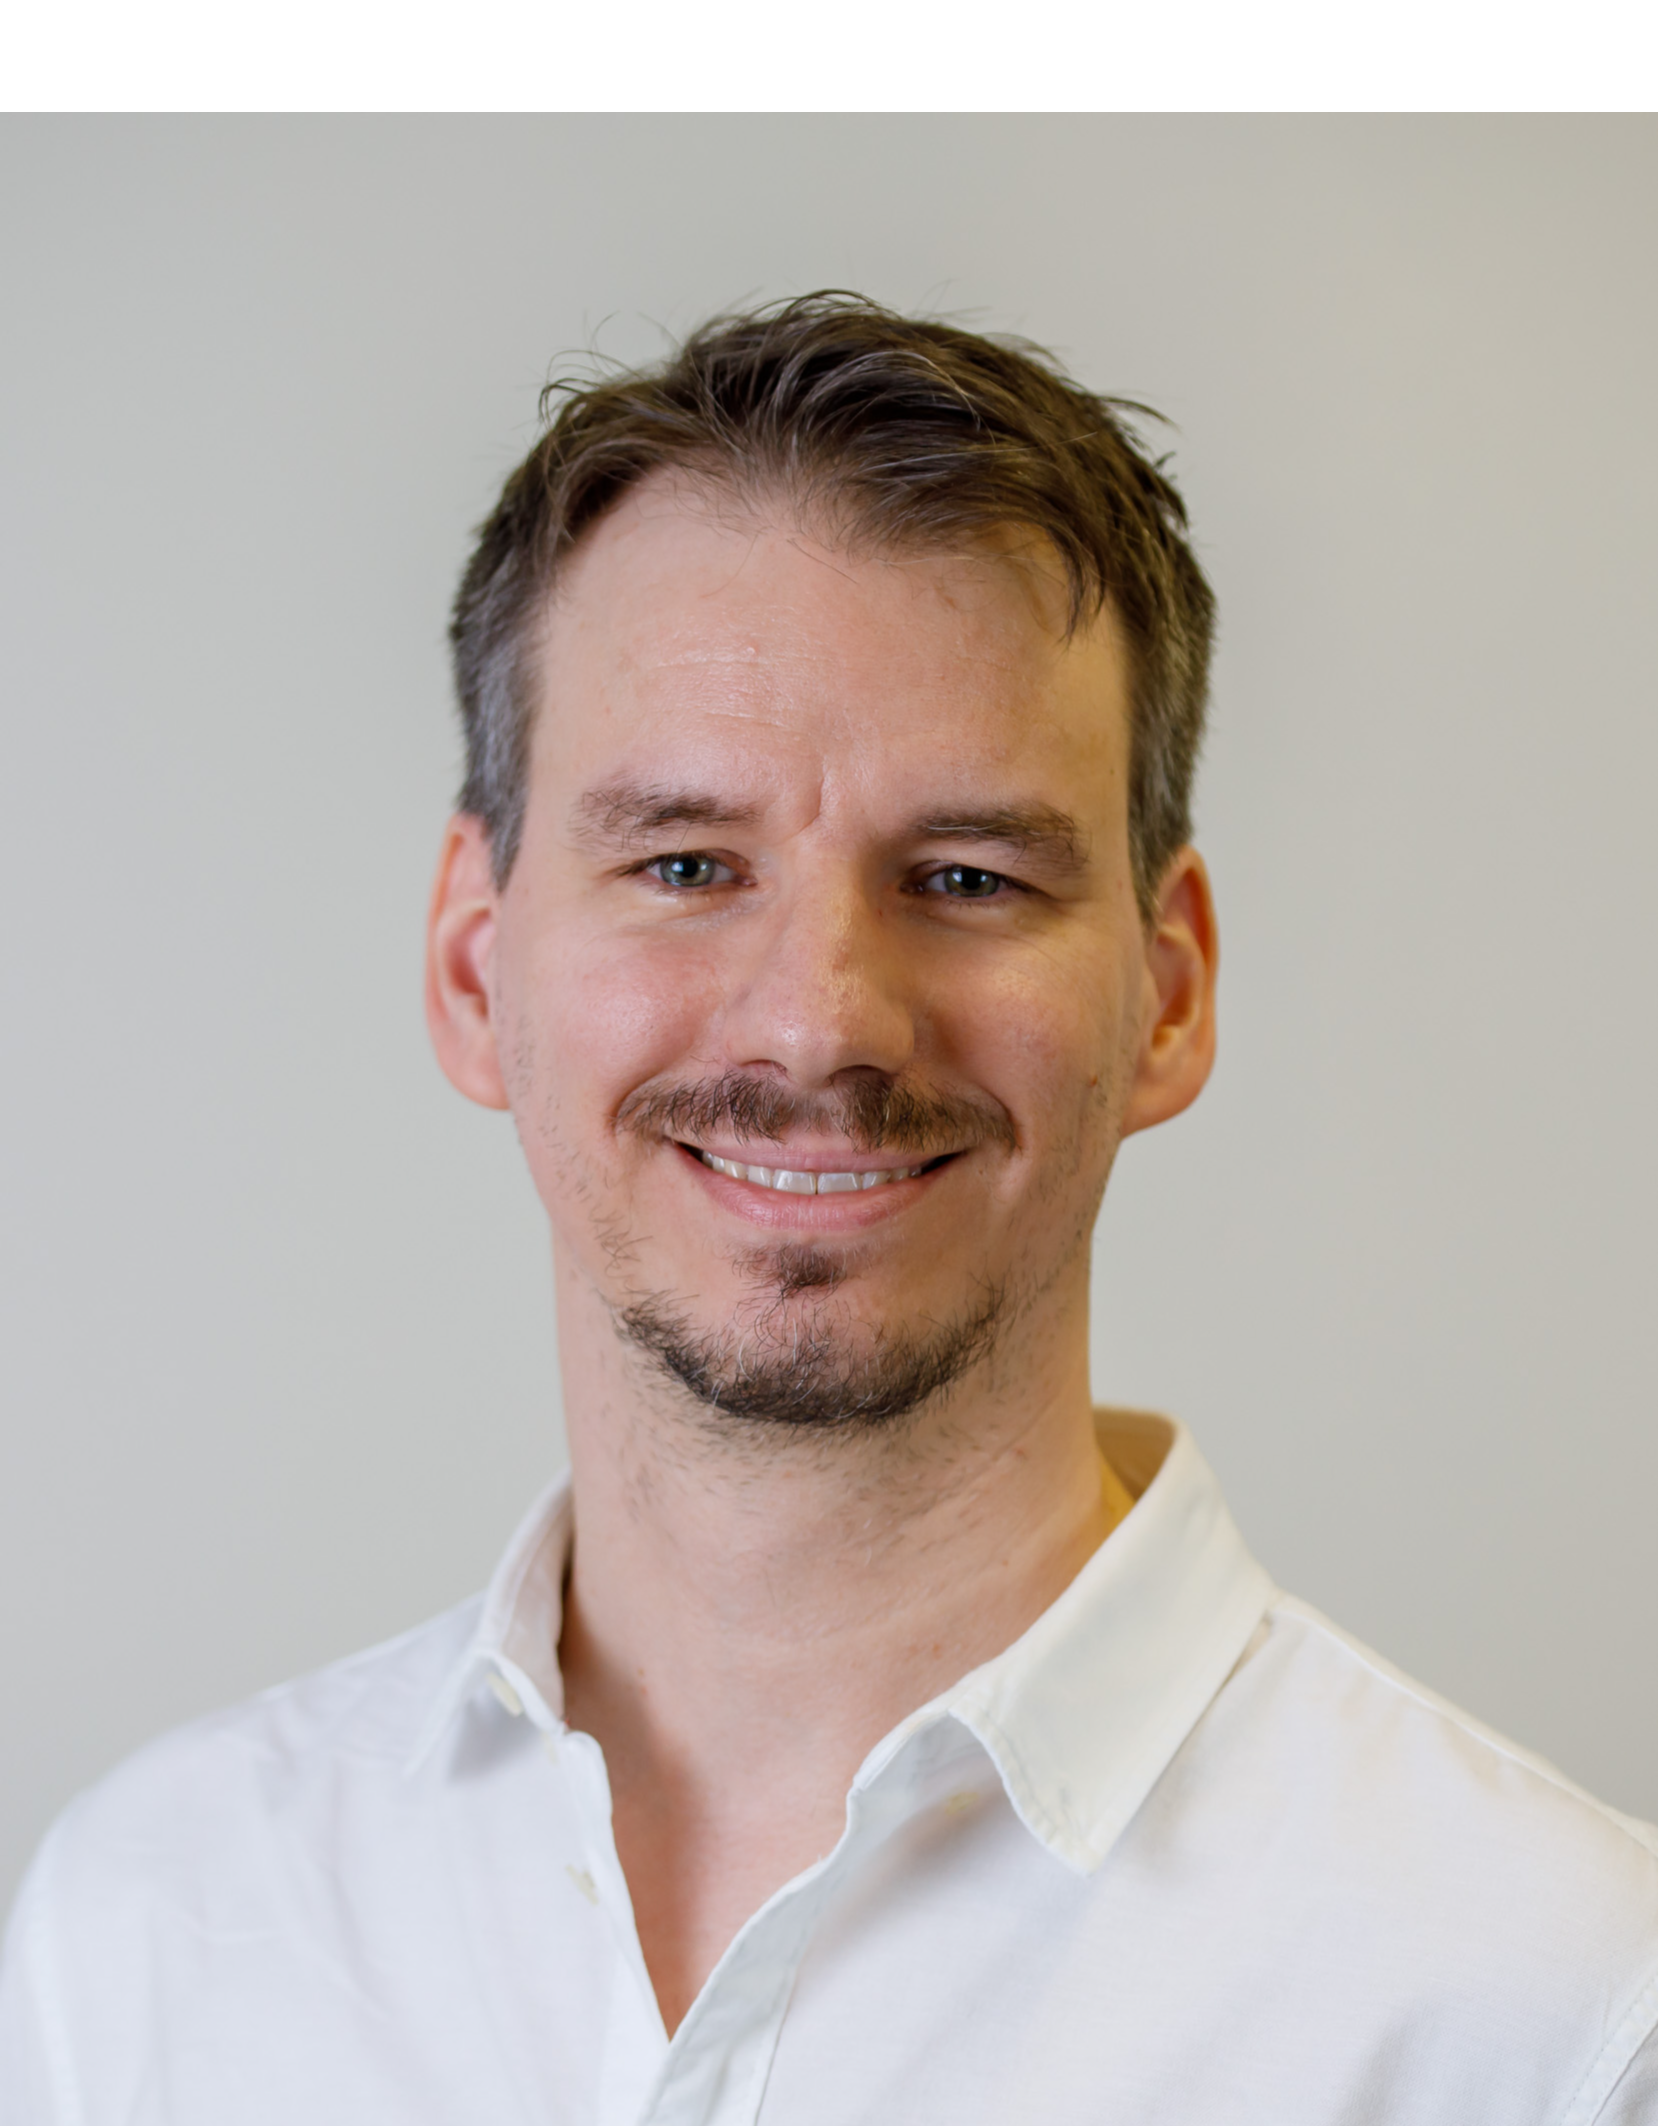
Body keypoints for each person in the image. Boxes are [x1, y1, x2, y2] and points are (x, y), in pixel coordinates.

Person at [2, 293, 1654, 2125]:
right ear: (476, 968)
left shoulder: (1560, 2020)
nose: (819, 1022)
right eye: (684, 863)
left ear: (1168, 991)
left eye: (966, 875)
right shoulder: (146, 1935)